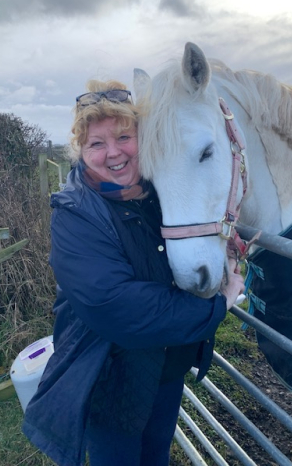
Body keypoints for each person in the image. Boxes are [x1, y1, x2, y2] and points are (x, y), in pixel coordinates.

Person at [22, 79, 245, 466]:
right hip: (110, 377)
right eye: (96, 143)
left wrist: (218, 240)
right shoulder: (75, 213)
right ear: (80, 150)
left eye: (124, 137)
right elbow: (115, 304)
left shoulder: (157, 195)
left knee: (156, 454)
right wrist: (218, 306)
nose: (113, 154)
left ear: (143, 139)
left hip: (166, 366)